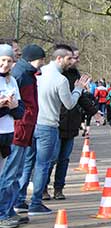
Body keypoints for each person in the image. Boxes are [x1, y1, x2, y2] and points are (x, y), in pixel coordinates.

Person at [18, 45, 89, 216]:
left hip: (31, 123)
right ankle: (36, 203)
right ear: (59, 58)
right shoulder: (60, 80)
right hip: (48, 125)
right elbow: (70, 104)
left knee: (28, 163)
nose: (72, 62)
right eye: (69, 59)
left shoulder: (37, 73)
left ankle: (19, 200)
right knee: (43, 165)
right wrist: (78, 89)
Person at [46, 47, 99, 200]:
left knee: (64, 158)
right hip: (55, 121)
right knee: (52, 158)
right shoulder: (54, 74)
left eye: (76, 58)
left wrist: (94, 111)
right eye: (74, 58)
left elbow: (81, 97)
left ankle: (58, 188)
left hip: (71, 122)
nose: (76, 61)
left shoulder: (75, 74)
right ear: (63, 58)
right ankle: (43, 187)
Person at [0, 44, 26, 228]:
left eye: (9, 61)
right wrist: (3, 107)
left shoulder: (12, 81)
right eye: (2, 60)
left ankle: (3, 214)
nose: (6, 64)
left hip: (7, 135)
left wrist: (14, 107)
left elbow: (20, 112)